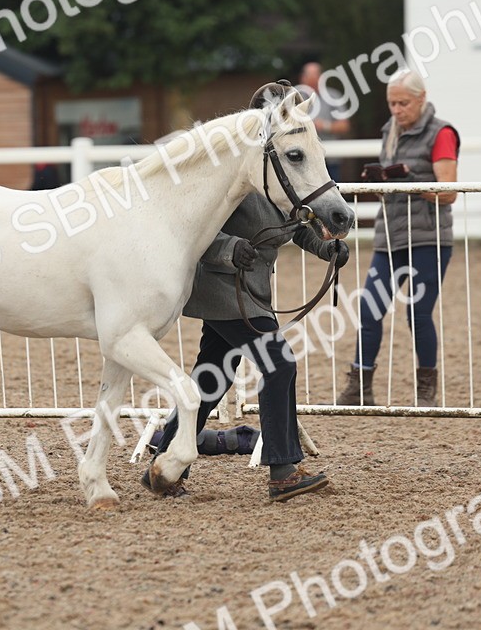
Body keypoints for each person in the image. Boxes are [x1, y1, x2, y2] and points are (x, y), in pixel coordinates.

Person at [145, 190, 350, 502]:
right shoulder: (236, 182)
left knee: (212, 379)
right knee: (278, 363)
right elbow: (194, 228)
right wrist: (228, 248)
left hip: (249, 292)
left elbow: (297, 227)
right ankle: (282, 471)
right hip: (225, 289)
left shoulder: (278, 183)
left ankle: (164, 466)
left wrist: (327, 247)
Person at [336, 69, 459, 408]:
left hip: (429, 238)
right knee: (369, 309)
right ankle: (360, 385)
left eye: (403, 103)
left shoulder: (442, 133)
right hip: (388, 236)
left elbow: (449, 192)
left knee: (418, 314)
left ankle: (426, 390)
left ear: (422, 98)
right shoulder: (390, 130)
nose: (396, 109)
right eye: (392, 103)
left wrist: (410, 183)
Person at [296, 61, 351, 181]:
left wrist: (324, 126)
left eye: (316, 77)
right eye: (310, 78)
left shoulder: (334, 95)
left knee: (334, 193)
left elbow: (344, 126)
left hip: (330, 159)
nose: (314, 83)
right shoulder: (294, 96)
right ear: (303, 78)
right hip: (302, 159)